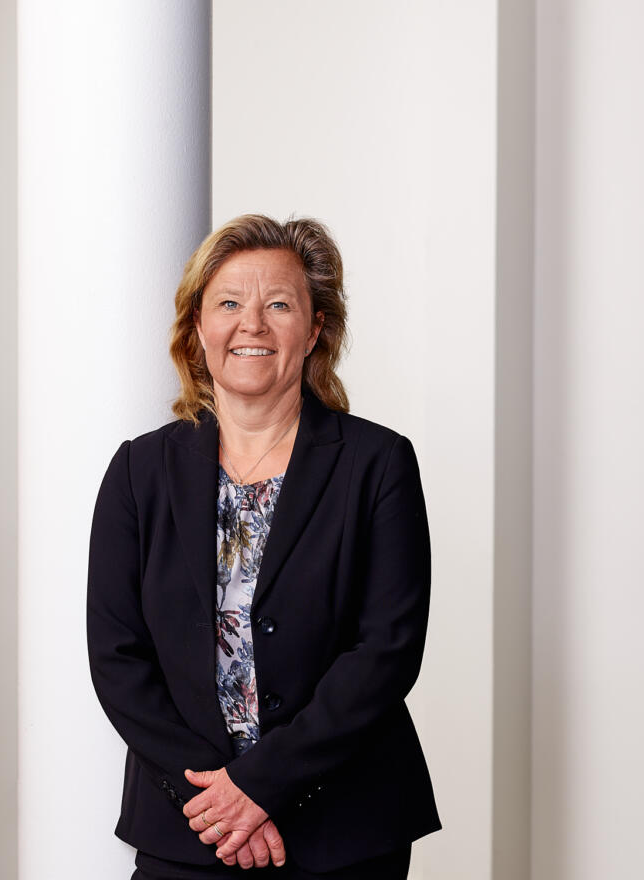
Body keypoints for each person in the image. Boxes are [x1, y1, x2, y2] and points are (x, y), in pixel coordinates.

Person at [87, 215, 440, 879]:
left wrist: (261, 785)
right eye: (228, 304)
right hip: (190, 826)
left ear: (314, 329)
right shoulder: (138, 471)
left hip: (344, 829)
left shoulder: (378, 463)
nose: (251, 324)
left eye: (278, 305)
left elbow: (386, 651)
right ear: (197, 328)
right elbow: (117, 658)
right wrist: (218, 801)